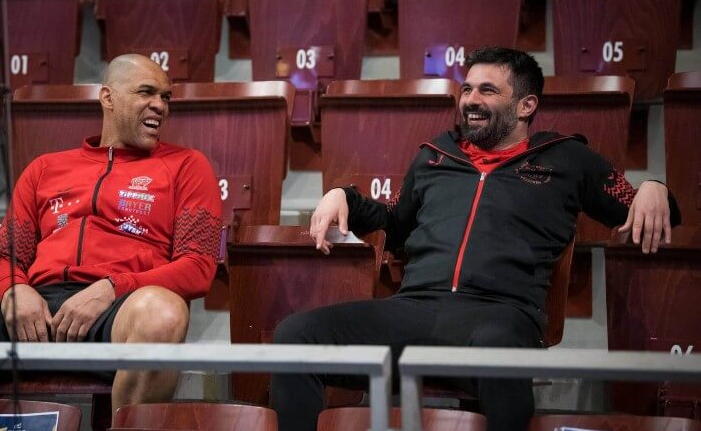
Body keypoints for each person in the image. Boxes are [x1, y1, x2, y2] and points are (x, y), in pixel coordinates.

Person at [270, 47, 681, 431]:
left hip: (501, 315)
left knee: (498, 351)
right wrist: (344, 195)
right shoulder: (435, 156)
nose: (470, 100)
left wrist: (655, 188)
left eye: (488, 90)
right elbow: (394, 222)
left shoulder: (567, 159)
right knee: (296, 335)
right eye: (467, 89)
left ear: (526, 105)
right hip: (416, 308)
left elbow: (646, 210)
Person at [0, 54, 222, 431]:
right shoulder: (45, 168)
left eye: (166, 97)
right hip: (30, 312)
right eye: (146, 92)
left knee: (164, 313)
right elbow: (3, 256)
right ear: (108, 97)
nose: (160, 105)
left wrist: (111, 288)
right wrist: (14, 290)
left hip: (118, 312)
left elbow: (198, 267)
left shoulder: (187, 166)